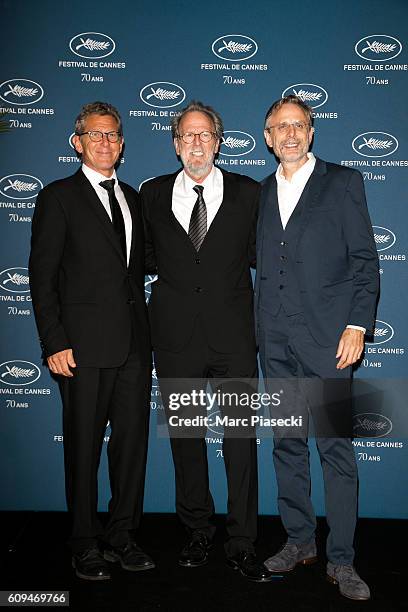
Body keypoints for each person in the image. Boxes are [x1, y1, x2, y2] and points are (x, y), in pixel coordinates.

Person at [255, 95, 379, 600]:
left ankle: (342, 560)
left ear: (311, 133)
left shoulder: (343, 182)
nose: (289, 134)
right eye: (280, 127)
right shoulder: (259, 192)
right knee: (287, 444)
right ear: (267, 137)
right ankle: (300, 540)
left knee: (336, 449)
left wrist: (357, 325)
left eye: (298, 125)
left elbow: (365, 260)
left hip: (330, 342)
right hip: (275, 343)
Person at [140, 101, 271, 582]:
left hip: (234, 337)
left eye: (204, 135)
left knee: (241, 441)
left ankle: (242, 541)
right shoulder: (151, 194)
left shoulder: (249, 193)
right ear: (175, 144)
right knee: (187, 441)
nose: (195, 143)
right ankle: (197, 530)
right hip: (174, 339)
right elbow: (144, 257)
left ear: (219, 141)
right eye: (186, 136)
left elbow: (267, 255)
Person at [29, 101, 153, 581]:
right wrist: (53, 341)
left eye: (114, 135)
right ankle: (83, 542)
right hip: (78, 349)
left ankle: (122, 536)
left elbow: (141, 267)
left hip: (133, 347)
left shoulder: (134, 198)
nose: (106, 143)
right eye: (97, 135)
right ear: (77, 142)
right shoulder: (57, 197)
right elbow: (42, 278)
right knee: (83, 448)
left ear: (122, 144)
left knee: (131, 447)